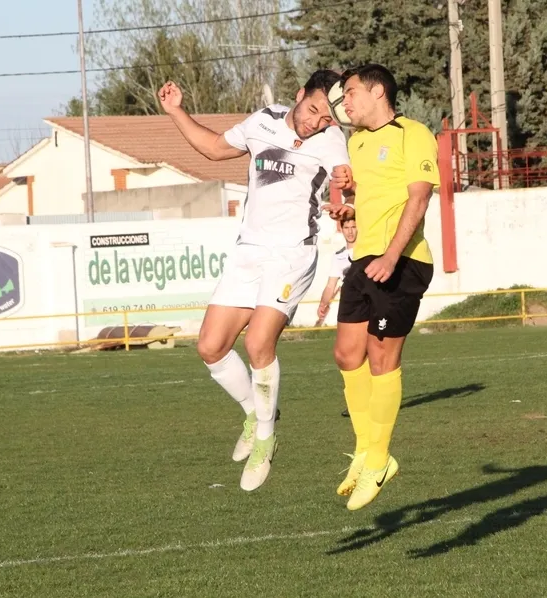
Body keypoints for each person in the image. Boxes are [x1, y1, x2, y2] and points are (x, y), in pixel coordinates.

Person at [158, 70, 350, 492]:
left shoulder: (332, 139)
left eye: (324, 118)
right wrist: (176, 111)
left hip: (291, 255)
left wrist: (346, 198)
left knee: (258, 344)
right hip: (249, 251)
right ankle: (255, 412)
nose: (316, 121)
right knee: (210, 347)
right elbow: (212, 148)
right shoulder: (262, 120)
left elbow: (344, 179)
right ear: (299, 95)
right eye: (313, 109)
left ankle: (265, 438)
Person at [322, 64, 438, 511]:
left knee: (381, 358)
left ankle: (378, 457)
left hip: (403, 260)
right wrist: (348, 214)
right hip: (363, 260)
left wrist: (392, 254)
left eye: (350, 93)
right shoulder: (358, 142)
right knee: (346, 354)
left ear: (377, 92)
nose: (344, 102)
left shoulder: (413, 133)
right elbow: (362, 204)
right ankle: (368, 450)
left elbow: (419, 196)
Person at [315, 214, 358, 418]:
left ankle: (372, 400)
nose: (350, 230)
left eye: (354, 226)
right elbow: (331, 285)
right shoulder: (339, 256)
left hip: (371, 308)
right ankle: (354, 403)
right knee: (347, 356)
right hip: (349, 311)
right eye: (347, 227)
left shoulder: (369, 251)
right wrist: (324, 303)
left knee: (371, 355)